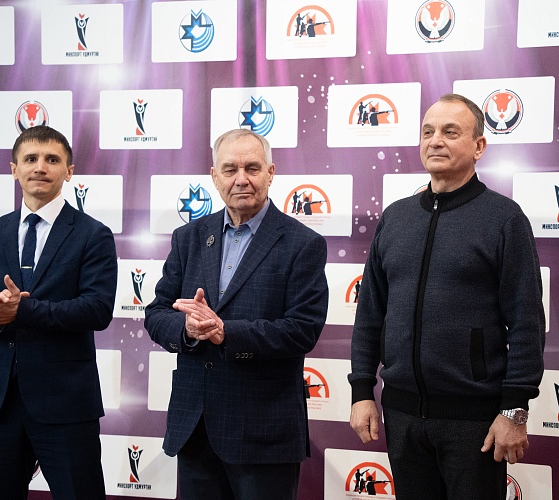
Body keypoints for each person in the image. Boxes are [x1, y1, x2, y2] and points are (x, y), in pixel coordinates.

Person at [348, 94, 545, 500]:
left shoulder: (504, 219)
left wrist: (514, 410)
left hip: (473, 421)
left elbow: (526, 322)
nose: (435, 140)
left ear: (478, 146)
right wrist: (362, 392)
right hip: (401, 416)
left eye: (450, 132)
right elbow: (369, 315)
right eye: (428, 132)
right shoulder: (396, 218)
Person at [144, 128, 329, 500]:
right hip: (196, 427)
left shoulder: (303, 243)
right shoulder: (189, 237)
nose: (241, 179)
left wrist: (226, 332)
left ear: (270, 173)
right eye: (230, 169)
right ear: (215, 177)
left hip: (264, 433)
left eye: (252, 168)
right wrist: (188, 328)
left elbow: (302, 330)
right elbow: (157, 313)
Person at [0, 125, 118, 499]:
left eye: (52, 159)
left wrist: (22, 311)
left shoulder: (92, 234)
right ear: (14, 169)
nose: (40, 167)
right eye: (30, 159)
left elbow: (96, 309)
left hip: (66, 404)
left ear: (69, 171)